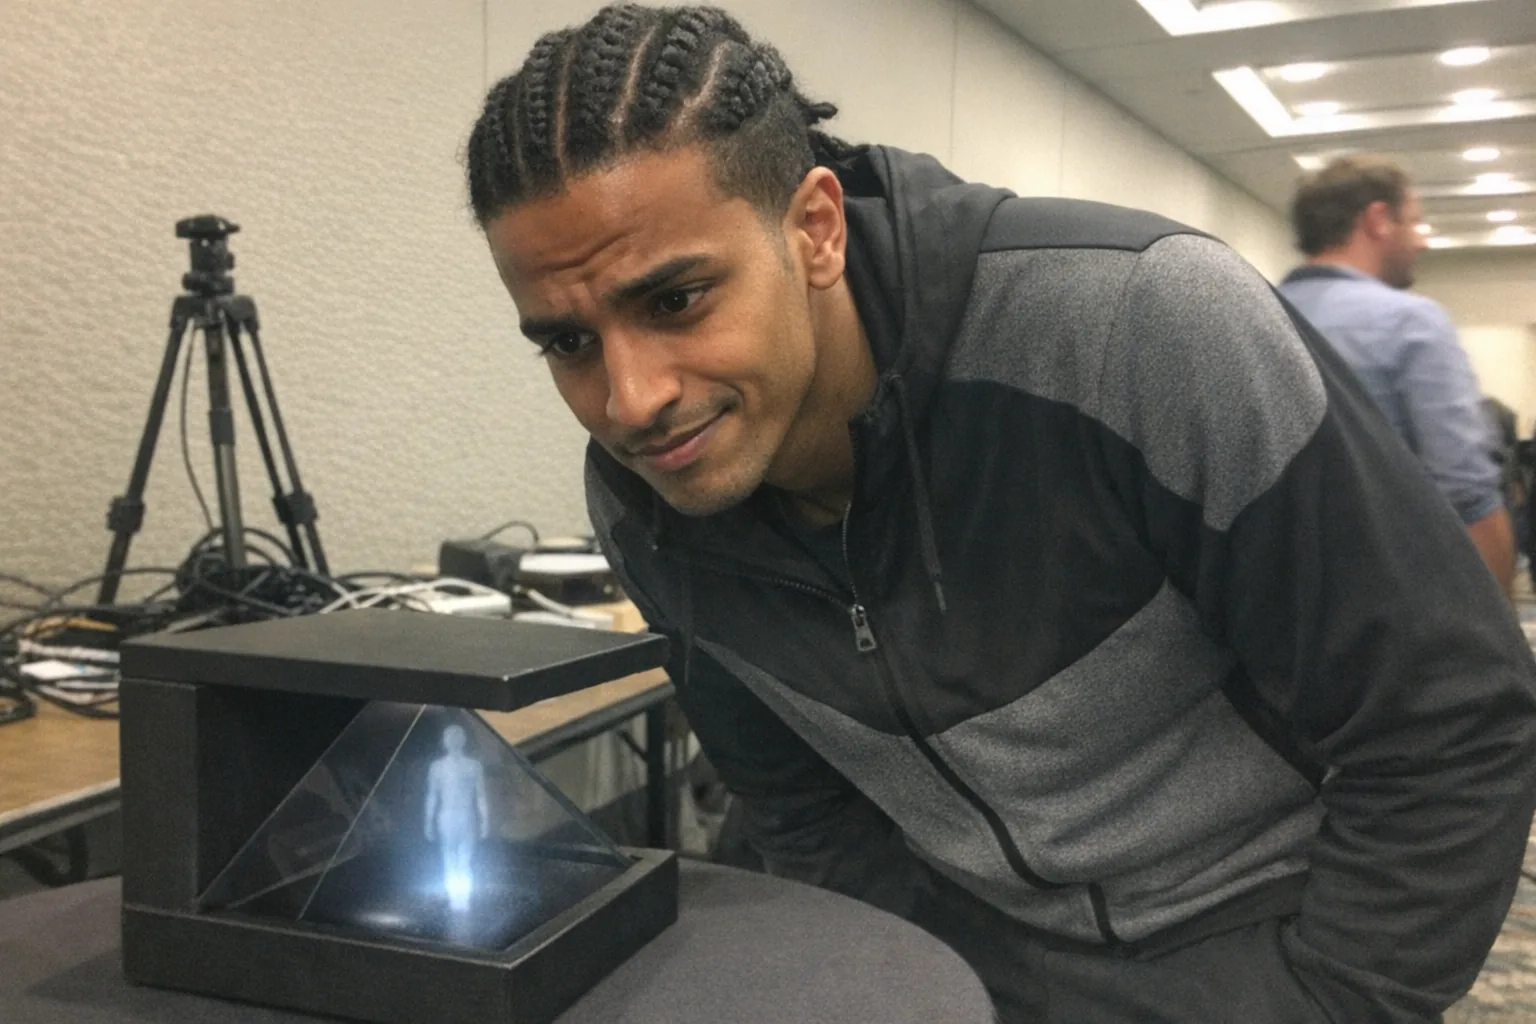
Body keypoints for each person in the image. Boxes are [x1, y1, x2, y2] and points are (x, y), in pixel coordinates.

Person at [463, 6, 1536, 1021]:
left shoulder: (1141, 326)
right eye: (566, 341)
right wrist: (922, 976)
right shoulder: (645, 499)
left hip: (1257, 941)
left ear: (817, 229)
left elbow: (1450, 722)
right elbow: (798, 807)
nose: (629, 399)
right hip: (972, 971)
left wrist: (1320, 999)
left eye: (674, 298)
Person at [1278, 157, 1516, 596]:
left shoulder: (1247, 314)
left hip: (1263, 614)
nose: (1422, 242)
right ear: (1378, 219)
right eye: (1415, 222)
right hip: (1387, 613)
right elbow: (1469, 497)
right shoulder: (1412, 323)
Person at [424, 722, 489, 912]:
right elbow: (432, 795)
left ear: (463, 740)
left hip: (465, 815)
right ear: (444, 741)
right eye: (449, 737)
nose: (452, 740)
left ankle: (463, 899)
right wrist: (428, 821)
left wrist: (485, 820)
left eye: (456, 736)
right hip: (446, 817)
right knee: (449, 857)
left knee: (465, 860)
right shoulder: (437, 767)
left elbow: (480, 795)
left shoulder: (473, 766)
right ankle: (455, 899)